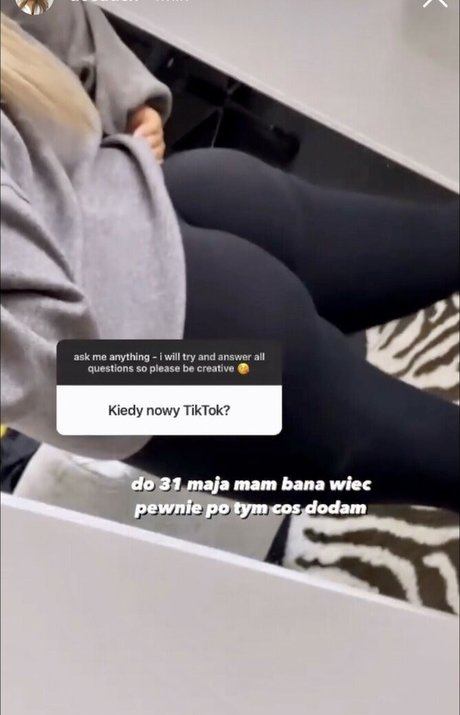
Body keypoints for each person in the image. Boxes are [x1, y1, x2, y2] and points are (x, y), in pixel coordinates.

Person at [1, 0, 459, 512]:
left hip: (137, 367)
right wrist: (123, 94)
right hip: (188, 196)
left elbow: (46, 362)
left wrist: (124, 96)